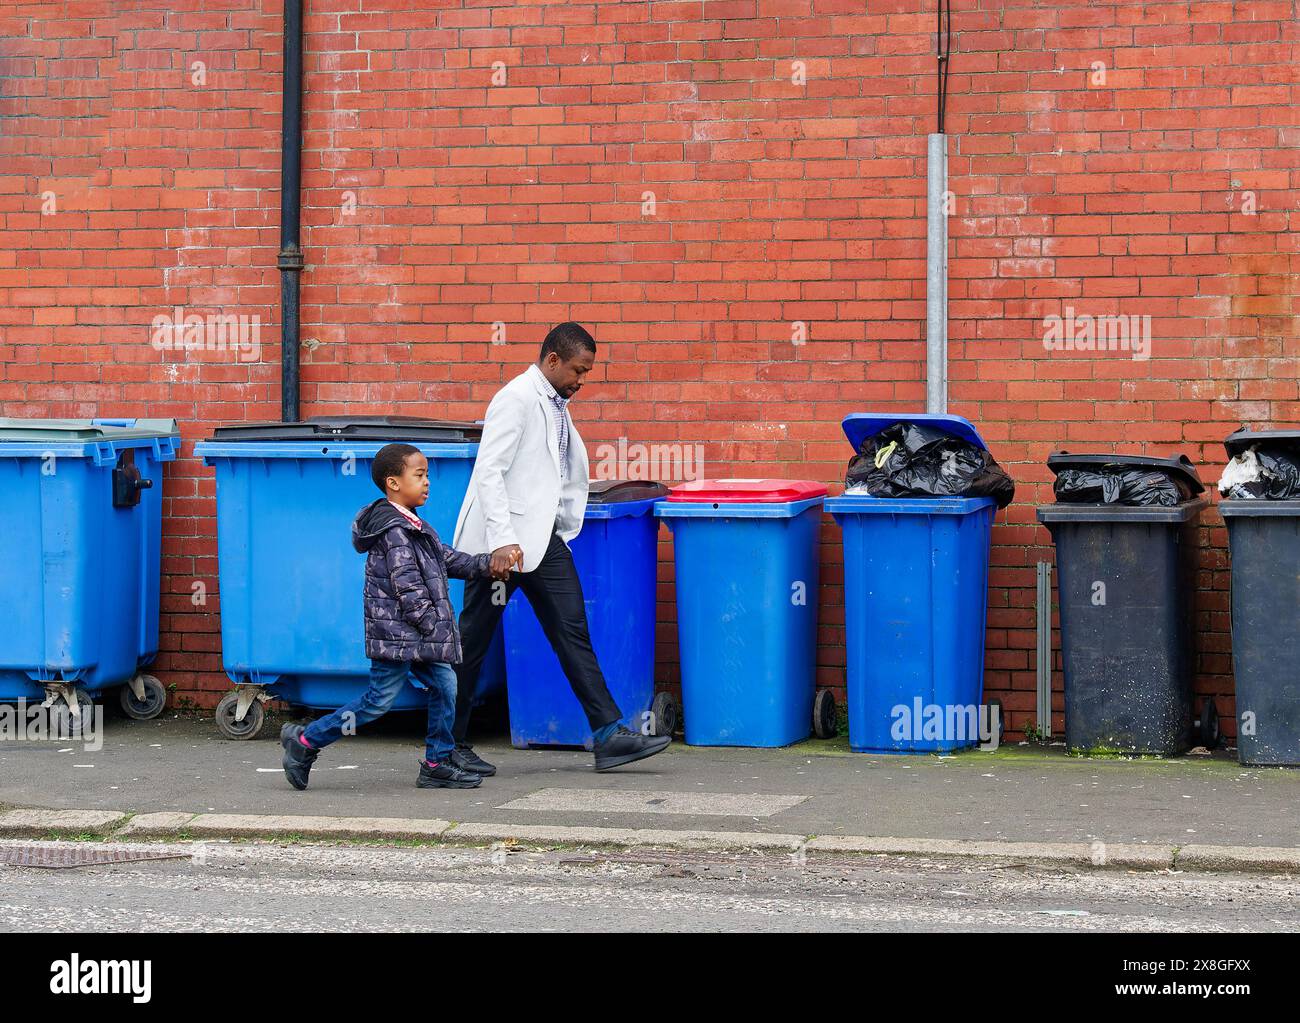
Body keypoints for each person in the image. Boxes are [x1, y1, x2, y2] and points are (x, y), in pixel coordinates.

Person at [449, 321, 672, 774]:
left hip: (541, 540)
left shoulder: (555, 403)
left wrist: (559, 528)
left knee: (573, 632)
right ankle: (445, 745)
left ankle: (609, 734)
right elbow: (489, 472)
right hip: (504, 546)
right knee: (471, 643)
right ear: (552, 360)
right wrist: (503, 540)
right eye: (578, 370)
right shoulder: (515, 399)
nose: (582, 380)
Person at [280, 443, 505, 791]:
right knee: (376, 703)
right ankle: (306, 741)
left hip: (414, 636)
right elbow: (409, 588)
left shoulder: (414, 525)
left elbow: (444, 559)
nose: (427, 482)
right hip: (400, 636)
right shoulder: (395, 531)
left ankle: (436, 763)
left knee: (446, 685)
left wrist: (486, 564)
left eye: (427, 474)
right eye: (419, 475)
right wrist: (434, 626)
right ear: (393, 483)